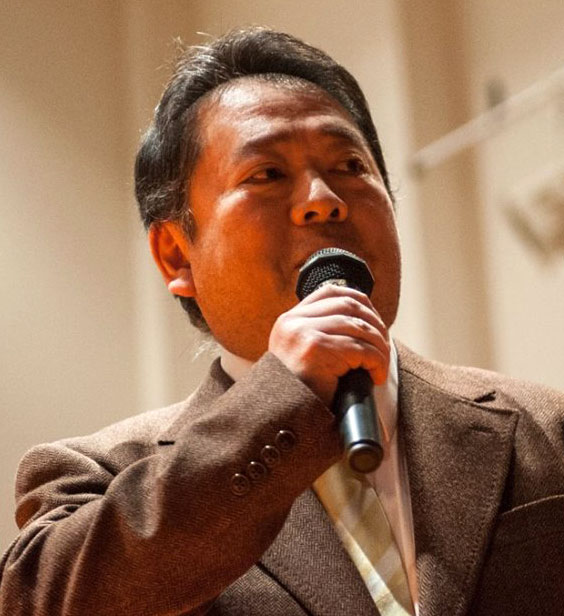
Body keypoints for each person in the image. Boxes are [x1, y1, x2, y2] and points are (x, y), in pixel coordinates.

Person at [1, 26, 564, 616]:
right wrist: (281, 400)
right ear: (176, 255)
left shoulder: (545, 428)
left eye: (349, 165)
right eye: (266, 174)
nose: (323, 199)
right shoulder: (99, 472)